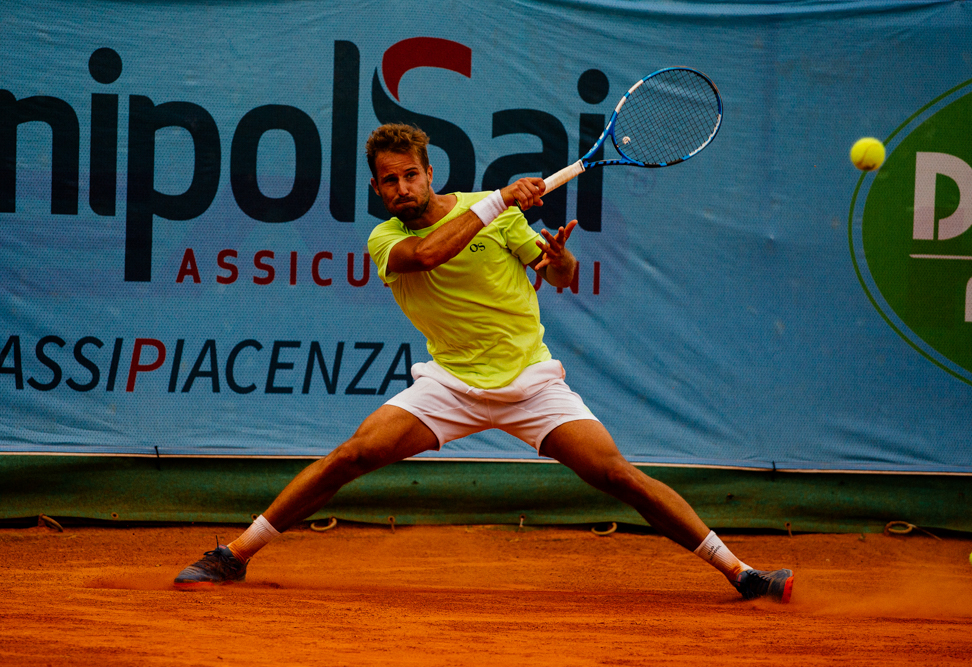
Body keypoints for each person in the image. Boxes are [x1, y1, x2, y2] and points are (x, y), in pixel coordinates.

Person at [174, 123, 793, 603]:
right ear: (377, 188)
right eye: (389, 181)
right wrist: (498, 199)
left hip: (531, 383)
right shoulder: (387, 240)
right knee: (353, 455)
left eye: (410, 175)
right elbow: (430, 255)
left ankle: (741, 573)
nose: (401, 189)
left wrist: (559, 260)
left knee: (620, 477)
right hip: (449, 385)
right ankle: (235, 554)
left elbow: (559, 276)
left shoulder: (497, 214)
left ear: (428, 172)